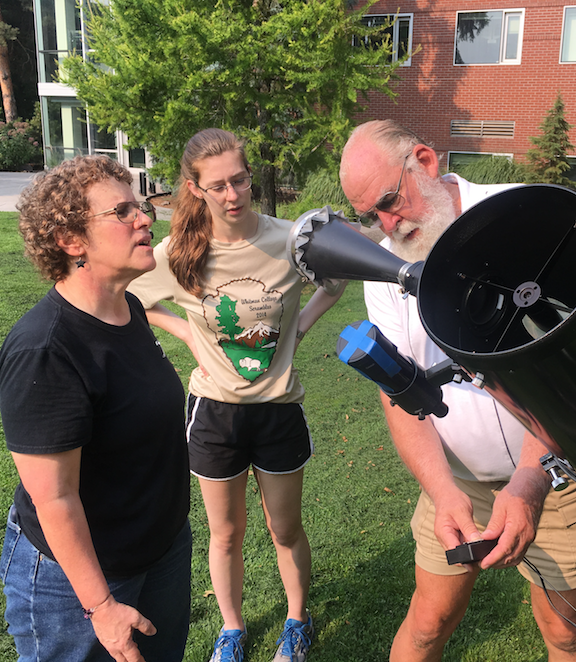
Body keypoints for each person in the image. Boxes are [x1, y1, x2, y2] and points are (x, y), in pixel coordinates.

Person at [339, 119, 576, 662]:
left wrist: (529, 480)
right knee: (429, 620)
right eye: (371, 213)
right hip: (458, 480)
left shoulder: (525, 216)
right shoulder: (385, 264)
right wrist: (444, 493)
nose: (388, 225)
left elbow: (573, 368)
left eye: (391, 201)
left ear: (424, 160)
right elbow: (396, 389)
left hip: (559, 471)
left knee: (565, 631)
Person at [127, 128, 344, 662]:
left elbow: (334, 283)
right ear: (195, 188)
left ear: (251, 177)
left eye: (240, 180)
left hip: (278, 411)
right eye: (218, 185)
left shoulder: (289, 240)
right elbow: (132, 299)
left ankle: (296, 621)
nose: (233, 194)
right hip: (214, 414)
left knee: (284, 528)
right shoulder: (178, 253)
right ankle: (231, 629)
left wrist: (298, 331)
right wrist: (184, 333)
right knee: (224, 535)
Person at [0, 155, 191, 662]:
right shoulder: (47, 349)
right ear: (70, 240)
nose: (145, 218)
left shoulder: (129, 312)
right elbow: (54, 499)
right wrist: (102, 607)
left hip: (160, 551)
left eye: (141, 205)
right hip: (78, 584)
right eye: (122, 211)